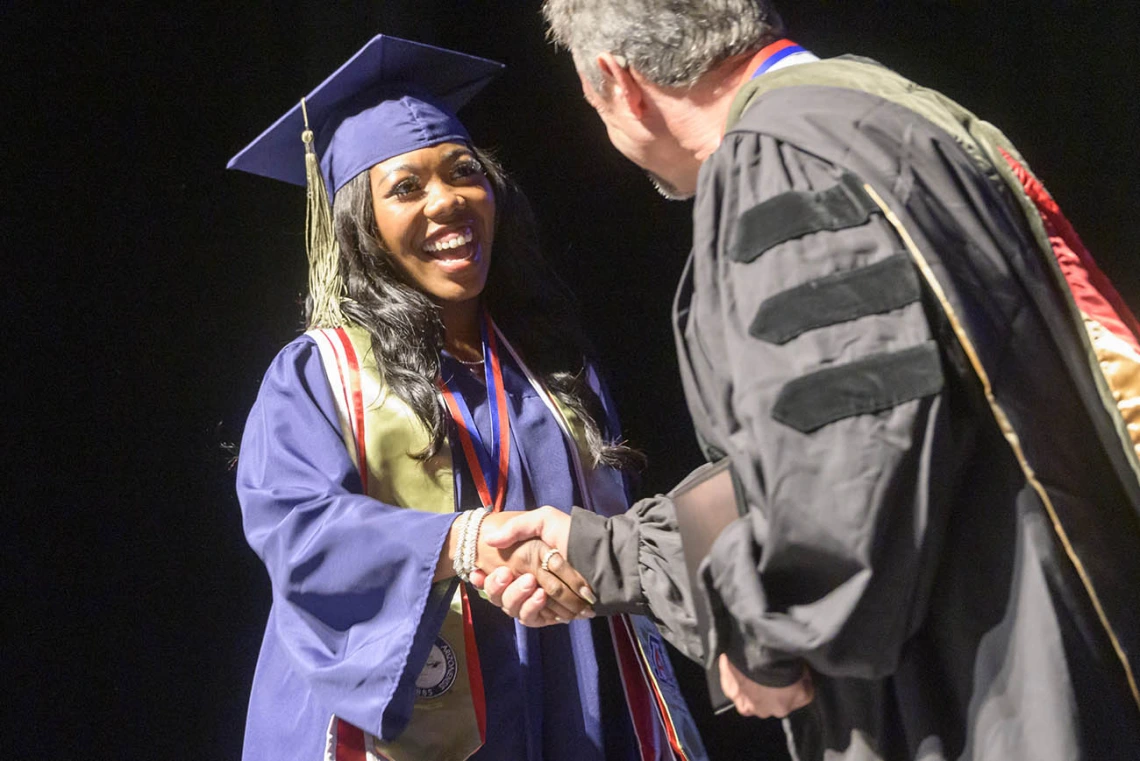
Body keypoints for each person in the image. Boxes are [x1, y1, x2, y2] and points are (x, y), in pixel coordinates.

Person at [477, 2, 1140, 759]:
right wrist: (604, 550)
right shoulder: (874, 108)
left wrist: (771, 634)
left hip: (984, 689)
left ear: (619, 83)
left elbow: (849, 452)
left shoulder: (779, 161)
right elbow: (814, 441)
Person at [226, 35, 707, 761]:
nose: (447, 200)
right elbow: (298, 534)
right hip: (393, 715)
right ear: (361, 225)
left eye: (463, 172)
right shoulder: (320, 375)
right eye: (406, 188)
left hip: (559, 694)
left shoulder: (550, 369)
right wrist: (456, 541)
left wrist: (580, 573)